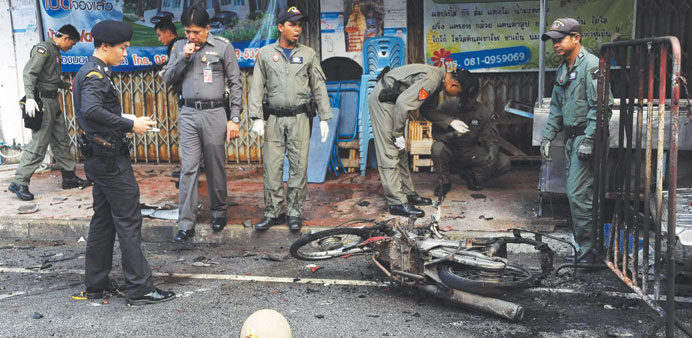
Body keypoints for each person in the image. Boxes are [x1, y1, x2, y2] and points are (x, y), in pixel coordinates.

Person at [73, 20, 175, 305]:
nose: (125, 54)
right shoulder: (95, 75)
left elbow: (94, 111)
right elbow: (91, 109)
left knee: (103, 221)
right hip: (110, 162)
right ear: (105, 46)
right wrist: (129, 125)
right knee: (129, 222)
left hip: (98, 157)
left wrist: (125, 120)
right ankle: (140, 288)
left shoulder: (91, 71)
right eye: (123, 48)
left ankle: (96, 284)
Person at [248, 6, 331, 231]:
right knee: (272, 167)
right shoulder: (265, 54)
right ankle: (273, 212)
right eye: (292, 25)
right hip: (274, 118)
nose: (297, 29)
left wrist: (324, 117)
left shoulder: (308, 54)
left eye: (299, 25)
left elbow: (319, 86)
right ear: (280, 27)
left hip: (300, 119)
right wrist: (256, 117)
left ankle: (294, 213)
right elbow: (256, 87)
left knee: (298, 167)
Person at [164, 6, 243, 241]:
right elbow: (168, 78)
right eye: (187, 31)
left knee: (215, 166)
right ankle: (186, 223)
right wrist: (183, 57)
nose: (191, 36)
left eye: (196, 32)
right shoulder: (179, 47)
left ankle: (219, 211)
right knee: (188, 167)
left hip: (215, 113)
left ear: (207, 29)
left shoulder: (222, 47)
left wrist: (235, 118)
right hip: (188, 113)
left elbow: (236, 83)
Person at [539, 18, 612, 263]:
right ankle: (589, 247)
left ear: (576, 38)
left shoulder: (591, 65)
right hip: (572, 140)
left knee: (578, 194)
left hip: (587, 137)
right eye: (553, 41)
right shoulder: (563, 69)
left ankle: (590, 252)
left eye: (560, 39)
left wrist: (590, 140)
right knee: (581, 195)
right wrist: (548, 135)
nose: (555, 44)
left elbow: (602, 107)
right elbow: (557, 108)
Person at [369, 64, 466, 217]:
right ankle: (397, 203)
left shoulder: (437, 81)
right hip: (384, 100)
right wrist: (397, 133)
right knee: (389, 152)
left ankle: (407, 194)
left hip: (393, 101)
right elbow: (403, 103)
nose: (453, 96)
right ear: (453, 84)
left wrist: (450, 121)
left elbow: (427, 110)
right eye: (456, 93)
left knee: (401, 152)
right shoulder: (432, 79)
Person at [8, 24, 90, 201]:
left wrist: (68, 86)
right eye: (72, 43)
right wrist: (30, 97)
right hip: (41, 102)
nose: (71, 47)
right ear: (65, 38)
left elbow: (51, 79)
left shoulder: (55, 51)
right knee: (39, 143)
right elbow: (29, 73)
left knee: (61, 139)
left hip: (53, 101)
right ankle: (19, 182)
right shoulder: (44, 49)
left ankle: (69, 177)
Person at [423, 69, 510, 196]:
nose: (468, 102)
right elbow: (435, 135)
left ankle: (473, 176)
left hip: (470, 151)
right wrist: (451, 135)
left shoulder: (483, 112)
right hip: (451, 150)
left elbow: (489, 137)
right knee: (437, 147)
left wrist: (493, 150)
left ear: (478, 94)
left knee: (504, 162)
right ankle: (444, 182)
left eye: (471, 99)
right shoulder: (447, 107)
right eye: (465, 99)